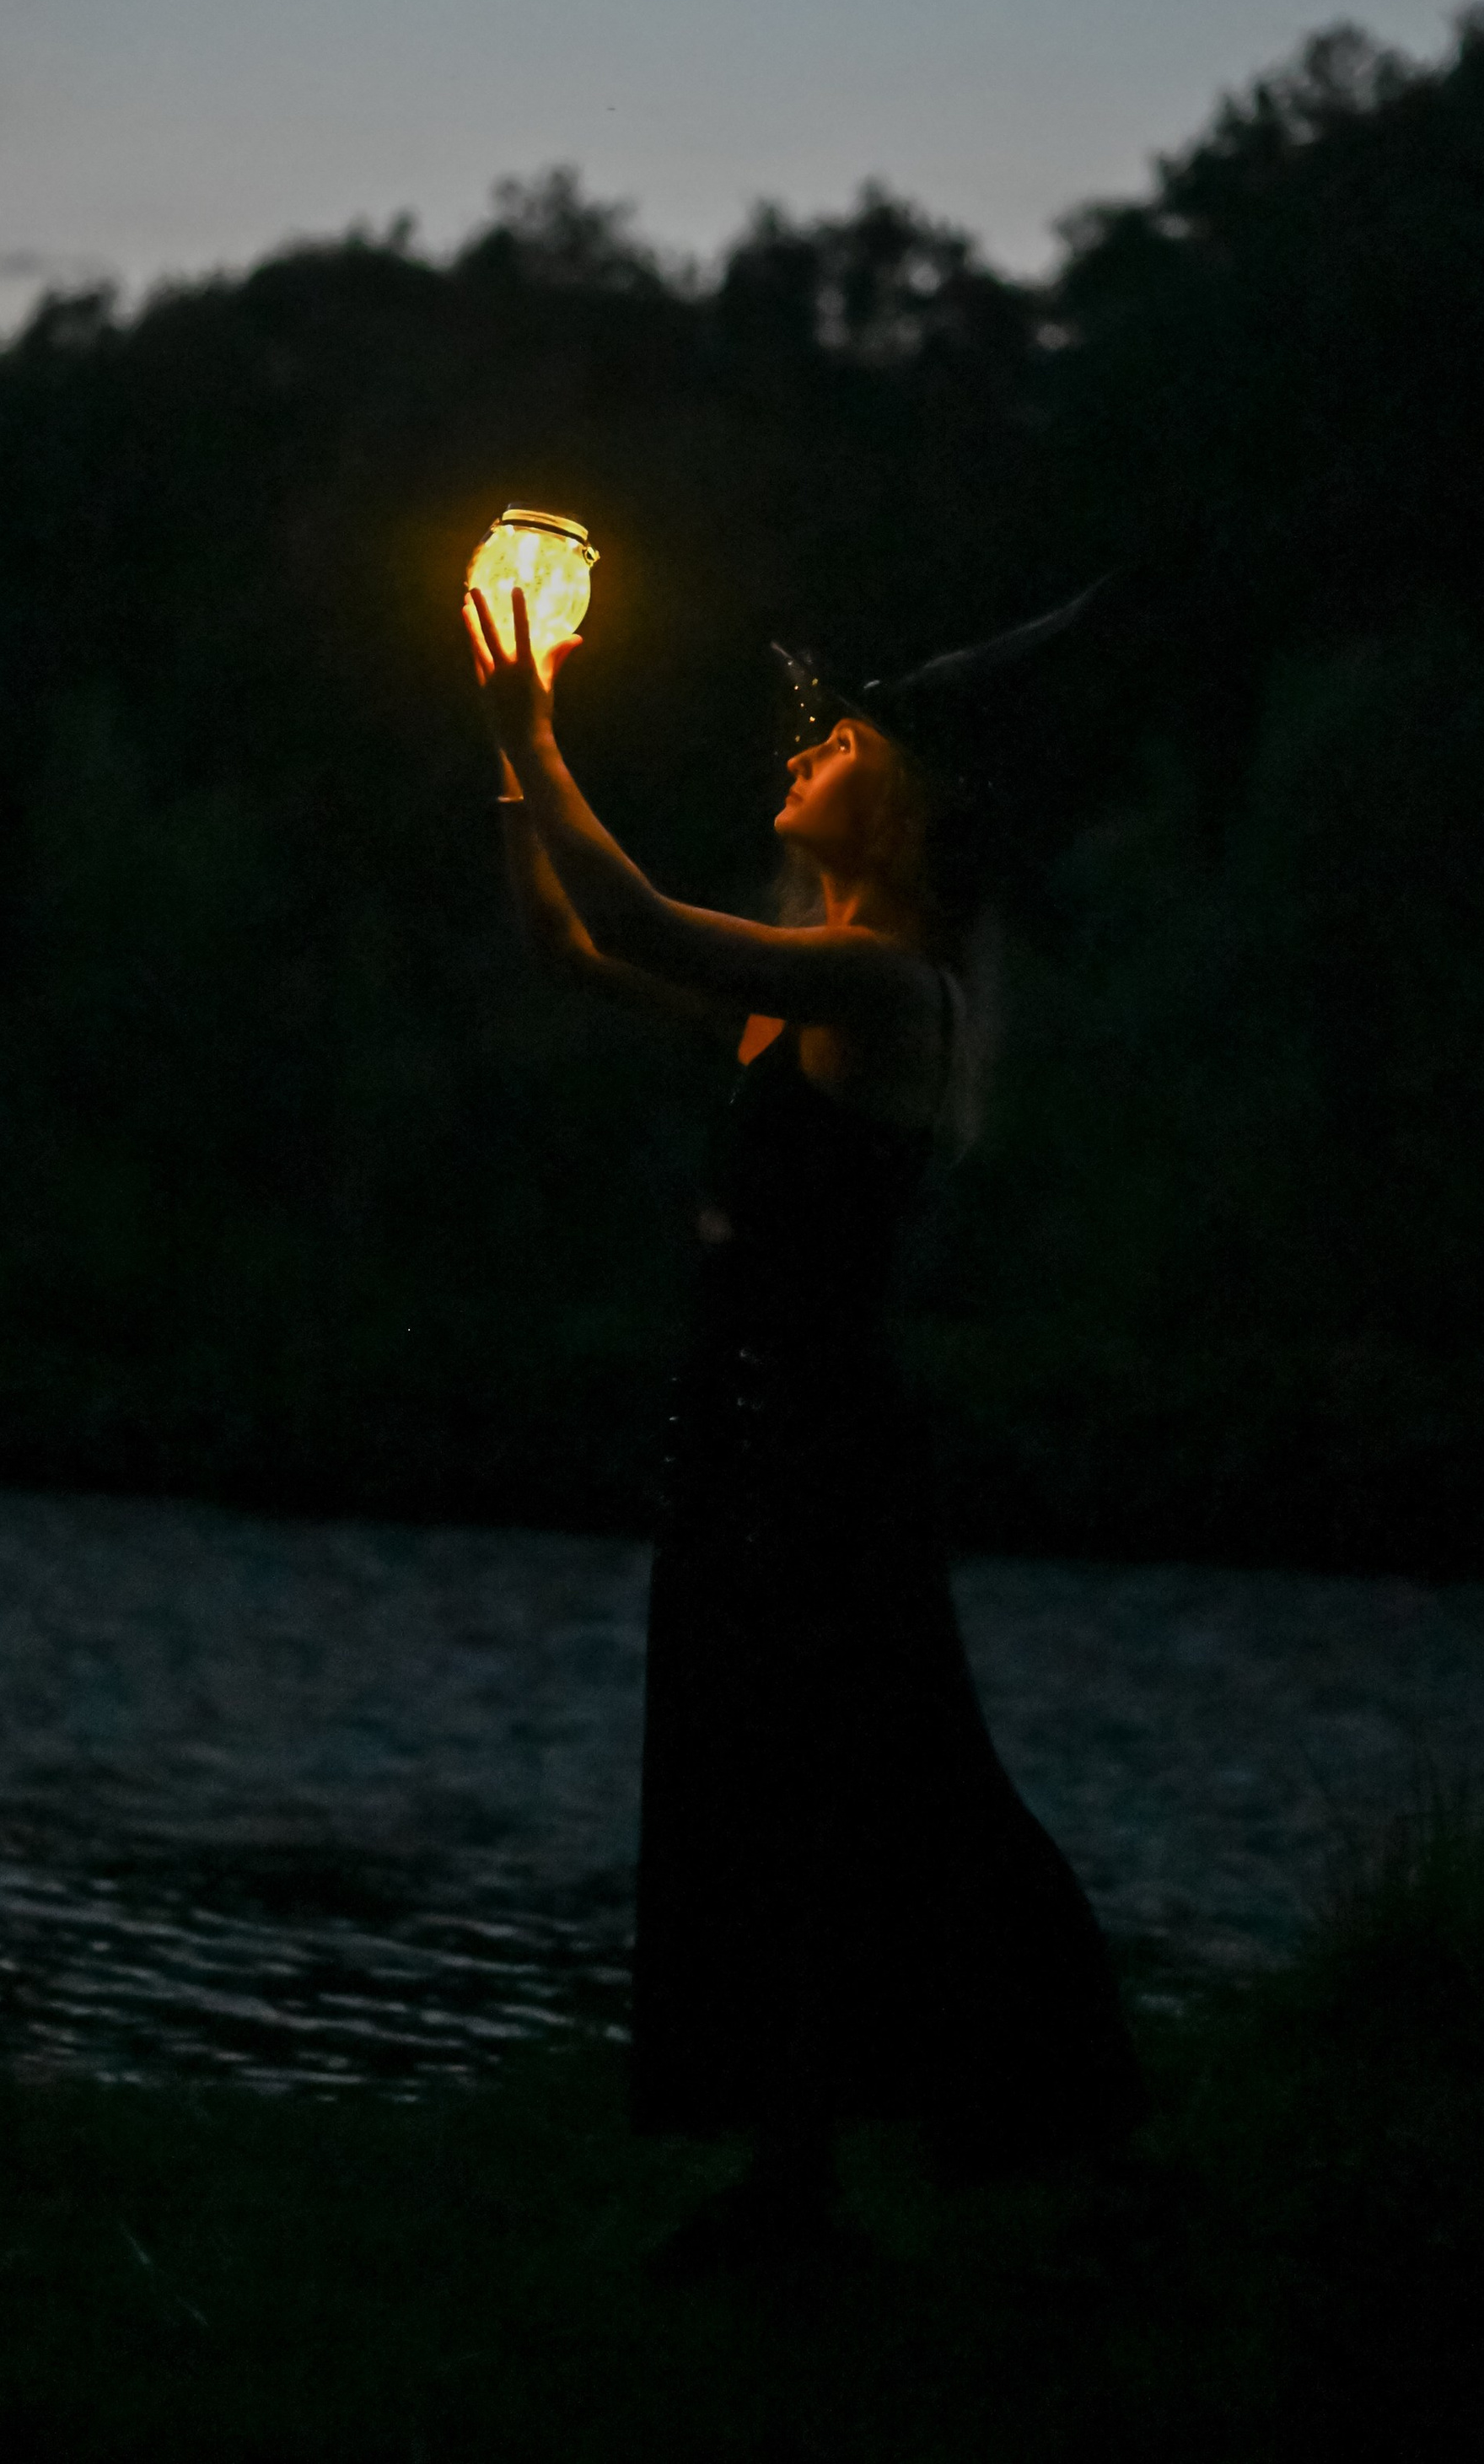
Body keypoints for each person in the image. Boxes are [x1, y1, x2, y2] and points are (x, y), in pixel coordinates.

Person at [464, 578, 1141, 2277]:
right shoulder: (801, 986)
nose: (809, 743)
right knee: (761, 1792)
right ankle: (793, 2183)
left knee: (887, 1781)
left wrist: (530, 723)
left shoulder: (883, 989)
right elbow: (573, 937)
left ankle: (1060, 2117)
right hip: (749, 1432)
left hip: (826, 1449)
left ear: (896, 804)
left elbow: (634, 903)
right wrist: (506, 767)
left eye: (841, 738)